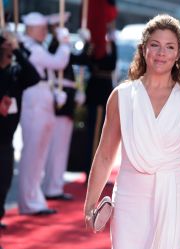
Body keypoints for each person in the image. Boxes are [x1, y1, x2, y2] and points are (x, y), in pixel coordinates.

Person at [83, 14, 180, 249]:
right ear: (144, 49)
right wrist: (90, 204)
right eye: (155, 45)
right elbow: (105, 155)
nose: (161, 53)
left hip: (175, 195)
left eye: (169, 47)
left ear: (179, 54)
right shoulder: (122, 96)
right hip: (130, 197)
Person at [17, 12, 70, 215]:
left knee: (39, 155)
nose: (45, 32)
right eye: (42, 29)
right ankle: (28, 201)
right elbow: (58, 62)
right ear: (31, 30)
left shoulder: (34, 46)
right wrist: (64, 43)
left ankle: (34, 199)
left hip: (42, 100)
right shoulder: (32, 48)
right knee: (32, 153)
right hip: (34, 104)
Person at [0, 31, 41, 249]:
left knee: (2, 187)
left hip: (5, 142)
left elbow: (34, 76)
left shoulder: (15, 73)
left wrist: (16, 49)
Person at [42, 13, 90, 201]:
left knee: (61, 145)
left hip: (67, 96)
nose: (65, 29)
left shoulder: (60, 45)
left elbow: (80, 60)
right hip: (59, 97)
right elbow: (61, 63)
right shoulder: (55, 46)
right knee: (56, 145)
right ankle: (52, 186)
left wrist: (85, 43)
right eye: (60, 26)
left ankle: (55, 184)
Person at [83, 23, 117, 177]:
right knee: (95, 135)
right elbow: (106, 64)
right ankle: (92, 170)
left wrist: (112, 44)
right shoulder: (96, 47)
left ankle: (98, 170)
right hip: (98, 94)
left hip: (103, 94)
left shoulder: (107, 46)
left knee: (103, 136)